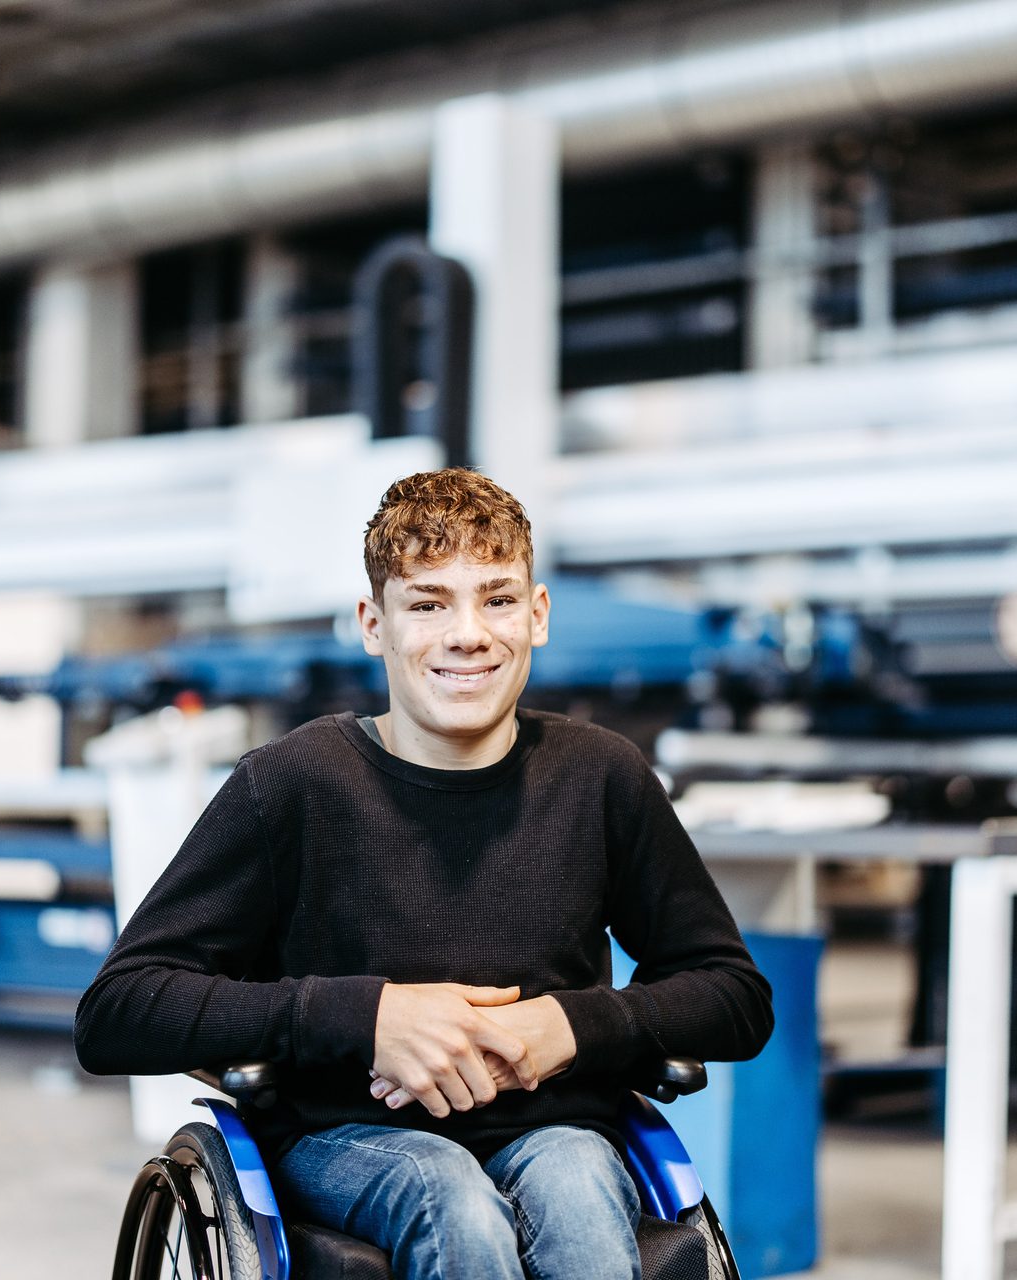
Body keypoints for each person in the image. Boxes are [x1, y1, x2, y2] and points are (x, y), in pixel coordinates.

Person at [75, 467, 773, 1280]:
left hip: (560, 1132)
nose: (468, 633)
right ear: (375, 624)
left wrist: (574, 1026)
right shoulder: (294, 783)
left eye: (498, 598)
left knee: (582, 1192)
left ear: (538, 614)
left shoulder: (601, 777)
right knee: (448, 1196)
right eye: (429, 602)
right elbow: (118, 1011)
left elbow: (734, 997)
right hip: (340, 1137)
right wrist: (364, 1017)